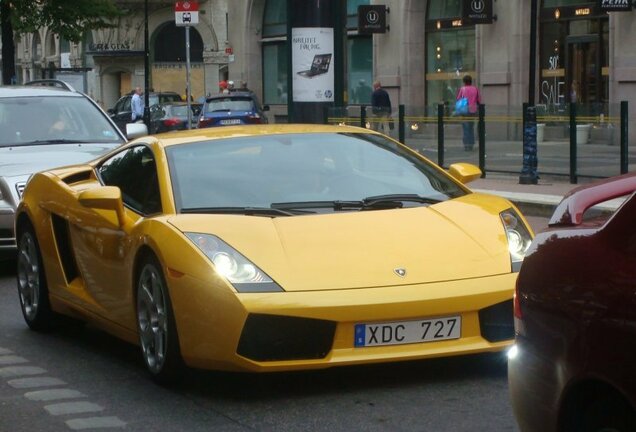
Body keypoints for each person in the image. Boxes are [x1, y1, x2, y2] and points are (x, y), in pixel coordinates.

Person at [456, 75, 481, 151]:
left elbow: (458, 99)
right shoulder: (475, 89)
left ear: (464, 82)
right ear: (471, 81)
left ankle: (467, 144)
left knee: (465, 128)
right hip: (473, 110)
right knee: (471, 127)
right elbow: (479, 100)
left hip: (465, 110)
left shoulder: (462, 89)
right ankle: (471, 143)